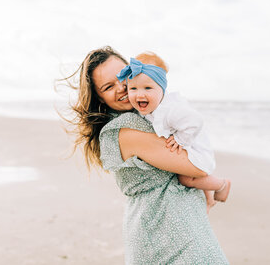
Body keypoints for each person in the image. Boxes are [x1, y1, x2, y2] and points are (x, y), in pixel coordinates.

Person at [65, 46, 229, 264]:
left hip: (172, 231)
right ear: (100, 98)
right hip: (172, 239)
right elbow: (196, 167)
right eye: (108, 86)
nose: (122, 87)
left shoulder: (148, 114)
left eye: (123, 76)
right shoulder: (125, 129)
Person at [116, 52, 231, 212]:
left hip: (196, 148)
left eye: (148, 88)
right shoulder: (152, 105)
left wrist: (180, 140)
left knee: (186, 178)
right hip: (191, 145)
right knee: (195, 177)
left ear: (161, 89)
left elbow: (196, 121)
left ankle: (222, 184)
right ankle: (209, 198)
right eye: (133, 88)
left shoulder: (171, 110)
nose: (140, 94)